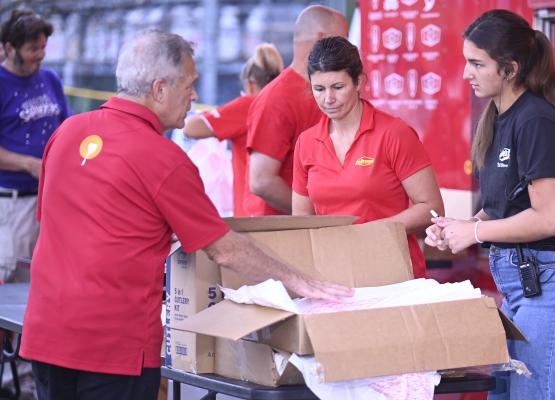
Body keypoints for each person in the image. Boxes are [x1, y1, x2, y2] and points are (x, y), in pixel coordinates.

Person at [20, 30, 352, 400]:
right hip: (113, 347)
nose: (194, 96)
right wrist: (303, 283)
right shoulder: (162, 158)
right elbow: (225, 250)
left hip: (45, 335)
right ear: (159, 89)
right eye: (189, 85)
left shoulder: (66, 133)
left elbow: (62, 222)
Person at [424, 10, 555, 400]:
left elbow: (551, 218)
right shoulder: (498, 118)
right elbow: (504, 208)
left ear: (509, 69)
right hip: (525, 291)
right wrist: (461, 225)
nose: (466, 74)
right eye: (466, 62)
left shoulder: (535, 119)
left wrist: (473, 232)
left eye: (477, 63)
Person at [292, 36, 443, 278]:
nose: (328, 99)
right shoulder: (306, 142)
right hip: (334, 273)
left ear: (359, 81)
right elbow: (301, 219)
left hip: (393, 272)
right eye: (319, 89)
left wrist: (364, 234)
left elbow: (432, 208)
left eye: (338, 87)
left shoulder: (394, 133)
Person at [246, 5, 348, 215]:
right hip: (287, 236)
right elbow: (261, 181)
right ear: (321, 39)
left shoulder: (327, 92)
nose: (349, 51)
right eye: (344, 41)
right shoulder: (276, 98)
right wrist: (315, 215)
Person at [0, 9, 69, 283]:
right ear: (9, 47)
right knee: (9, 281)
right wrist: (28, 164)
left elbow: (65, 127)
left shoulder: (50, 78)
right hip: (12, 203)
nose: (40, 54)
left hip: (49, 197)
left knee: (43, 278)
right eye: (32, 49)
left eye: (42, 47)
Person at [183, 43, 284, 216]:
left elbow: (191, 128)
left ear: (250, 83)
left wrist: (211, 114)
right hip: (287, 208)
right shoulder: (286, 106)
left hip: (254, 213)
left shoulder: (248, 106)